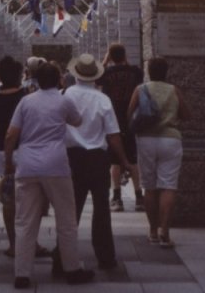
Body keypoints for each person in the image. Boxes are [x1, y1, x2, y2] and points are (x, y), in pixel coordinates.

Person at [5, 61, 94, 288]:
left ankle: (22, 274)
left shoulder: (26, 101)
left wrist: (8, 163)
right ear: (59, 80)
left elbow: (10, 135)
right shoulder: (64, 101)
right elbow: (77, 120)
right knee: (66, 218)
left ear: (36, 80)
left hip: (27, 164)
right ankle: (71, 268)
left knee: (25, 221)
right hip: (56, 164)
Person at [63, 53, 130, 270]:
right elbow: (113, 135)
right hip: (98, 158)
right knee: (101, 209)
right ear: (95, 76)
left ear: (76, 74)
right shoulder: (103, 99)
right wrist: (124, 161)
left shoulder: (67, 94)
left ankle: (62, 256)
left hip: (72, 157)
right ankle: (105, 256)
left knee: (71, 210)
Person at [0, 55, 51, 259]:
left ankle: (15, 244)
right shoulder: (25, 97)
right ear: (18, 75)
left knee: (8, 200)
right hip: (22, 151)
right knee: (31, 199)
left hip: (0, 150)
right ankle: (31, 243)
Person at [127, 56, 190, 248]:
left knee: (150, 187)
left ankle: (153, 231)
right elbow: (187, 115)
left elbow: (129, 114)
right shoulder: (174, 90)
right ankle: (165, 232)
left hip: (146, 139)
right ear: (166, 71)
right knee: (168, 185)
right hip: (170, 139)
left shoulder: (140, 89)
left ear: (149, 71)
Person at [98, 43, 145, 212]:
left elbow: (96, 76)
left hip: (112, 120)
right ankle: (139, 196)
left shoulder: (107, 73)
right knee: (132, 159)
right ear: (125, 56)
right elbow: (139, 79)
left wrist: (105, 61)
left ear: (110, 57)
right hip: (131, 119)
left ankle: (117, 197)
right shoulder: (135, 72)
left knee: (115, 161)